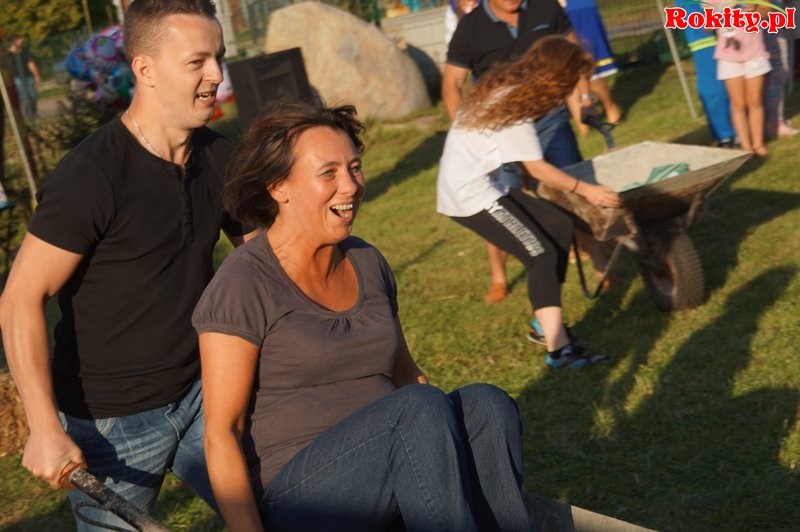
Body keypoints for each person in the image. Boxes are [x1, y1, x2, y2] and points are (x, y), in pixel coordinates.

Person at [193, 101, 533, 531]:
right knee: (415, 411)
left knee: (487, 404)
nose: (350, 186)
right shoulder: (244, 282)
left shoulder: (367, 261)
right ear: (279, 187)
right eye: (329, 173)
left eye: (354, 168)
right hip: (302, 497)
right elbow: (222, 431)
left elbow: (407, 374)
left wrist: (445, 447)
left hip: (393, 450)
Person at [0, 0, 256, 529]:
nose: (216, 74)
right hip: (111, 425)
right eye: (197, 61)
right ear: (145, 68)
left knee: (277, 510)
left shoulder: (220, 157)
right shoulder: (91, 175)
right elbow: (20, 297)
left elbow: (265, 262)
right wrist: (44, 427)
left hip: (206, 392)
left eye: (219, 57)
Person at [437, 36, 620, 367]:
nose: (569, 91)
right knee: (541, 253)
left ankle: (543, 325)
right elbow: (538, 168)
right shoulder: (513, 108)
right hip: (469, 196)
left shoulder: (509, 92)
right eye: (569, 82)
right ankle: (559, 350)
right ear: (555, 78)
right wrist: (587, 189)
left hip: (484, 185)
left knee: (559, 226)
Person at [441, 0, 612, 310]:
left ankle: (600, 267)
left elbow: (573, 56)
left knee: (568, 198)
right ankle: (500, 278)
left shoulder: (546, 7)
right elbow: (452, 83)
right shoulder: (471, 27)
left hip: (547, 116)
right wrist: (468, 134)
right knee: (504, 210)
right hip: (502, 124)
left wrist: (584, 99)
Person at [711, 2, 771, 156]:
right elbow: (707, 26)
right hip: (728, 57)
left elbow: (767, 12)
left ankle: (758, 144)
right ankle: (745, 148)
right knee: (738, 104)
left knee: (755, 101)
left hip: (755, 54)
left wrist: (755, 10)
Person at [561, 0, 622, 136]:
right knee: (565, 72)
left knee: (589, 69)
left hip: (578, 7)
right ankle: (583, 129)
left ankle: (609, 105)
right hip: (550, 11)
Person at [681, 2, 736, 147]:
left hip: (728, 29)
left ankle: (735, 132)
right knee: (714, 88)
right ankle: (726, 134)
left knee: (731, 83)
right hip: (703, 34)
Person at [7, 34, 40, 122]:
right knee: (24, 98)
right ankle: (30, 117)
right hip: (17, 79)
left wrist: (36, 75)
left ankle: (33, 112)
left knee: (33, 96)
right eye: (19, 40)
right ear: (13, 42)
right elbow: (8, 69)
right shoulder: (8, 55)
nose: (21, 41)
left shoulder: (24, 51)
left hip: (28, 76)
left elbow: (30, 63)